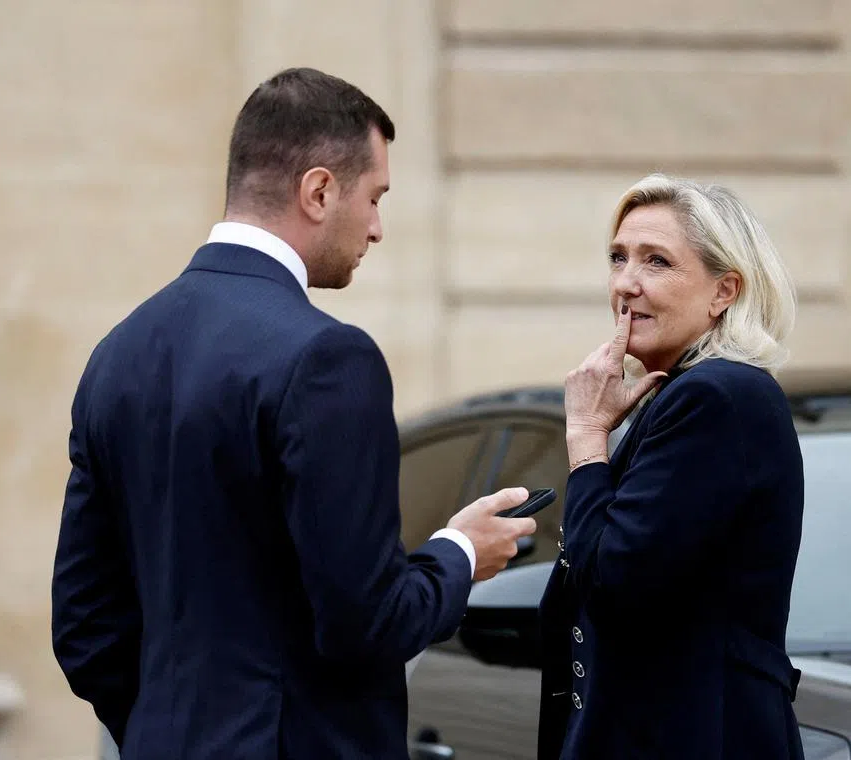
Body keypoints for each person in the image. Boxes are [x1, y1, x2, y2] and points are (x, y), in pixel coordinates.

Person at [50, 67, 537, 759]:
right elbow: (366, 623)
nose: (376, 228)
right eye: (375, 198)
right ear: (318, 191)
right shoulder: (327, 359)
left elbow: (84, 627)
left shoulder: (117, 353)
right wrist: (459, 554)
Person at [538, 173, 806, 759]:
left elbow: (614, 580)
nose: (625, 284)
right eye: (618, 258)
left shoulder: (715, 396)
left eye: (656, 262)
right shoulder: (689, 392)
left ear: (723, 292)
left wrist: (586, 436)